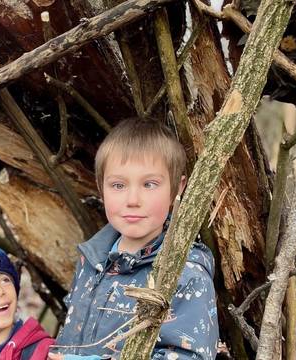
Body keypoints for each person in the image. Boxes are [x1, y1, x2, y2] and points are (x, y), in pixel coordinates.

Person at [48, 118, 219, 359]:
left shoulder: (186, 274)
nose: (133, 199)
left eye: (149, 184)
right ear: (101, 187)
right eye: (118, 185)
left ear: (177, 188)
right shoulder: (92, 260)